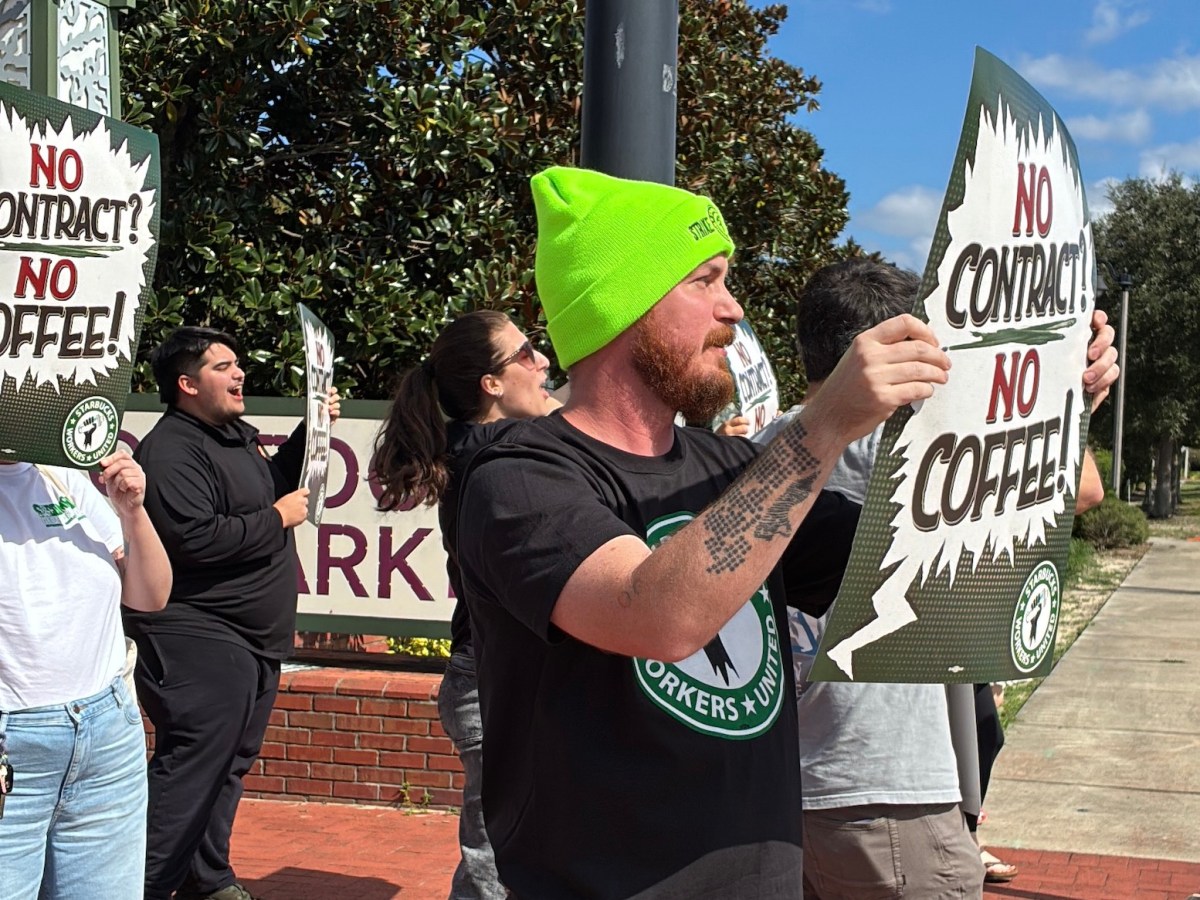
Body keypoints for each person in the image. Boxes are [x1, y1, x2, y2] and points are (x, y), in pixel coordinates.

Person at [453, 166, 964, 898]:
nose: (733, 308)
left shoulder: (734, 466)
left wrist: (1033, 404)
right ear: (624, 305)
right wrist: (824, 425)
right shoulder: (519, 476)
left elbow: (920, 569)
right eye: (705, 280)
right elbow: (657, 616)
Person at [755, 259, 1113, 899]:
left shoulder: (764, 445)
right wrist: (1057, 390)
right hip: (886, 788)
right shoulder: (903, 445)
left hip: (781, 788)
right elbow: (1082, 489)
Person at [124, 326, 339, 900]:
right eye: (222, 367)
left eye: (237, 363)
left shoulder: (233, 438)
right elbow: (193, 539)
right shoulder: (172, 450)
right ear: (187, 384)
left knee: (229, 764)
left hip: (251, 637)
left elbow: (270, 488)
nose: (239, 373)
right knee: (194, 765)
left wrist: (312, 431)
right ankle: (141, 885)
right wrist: (278, 519)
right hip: (198, 634)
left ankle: (207, 878)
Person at [371, 310, 557, 900]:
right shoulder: (503, 455)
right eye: (526, 352)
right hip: (490, 684)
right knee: (493, 861)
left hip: (493, 680)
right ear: (491, 383)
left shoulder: (480, 447)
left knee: (507, 849)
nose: (543, 361)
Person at [0, 451, 172, 899]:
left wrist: (132, 513)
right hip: (11, 748)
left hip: (107, 739)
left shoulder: (58, 475)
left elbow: (150, 595)